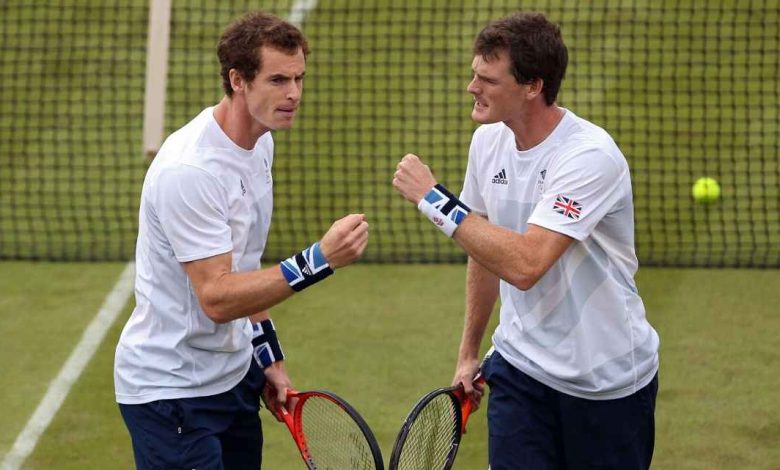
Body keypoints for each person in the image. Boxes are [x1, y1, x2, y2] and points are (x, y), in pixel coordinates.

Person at [393, 12, 659, 470]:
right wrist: (468, 353)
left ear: (533, 86)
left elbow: (525, 264)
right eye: (474, 74)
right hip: (520, 370)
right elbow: (484, 250)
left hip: (605, 384)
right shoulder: (487, 143)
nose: (472, 87)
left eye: (488, 80)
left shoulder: (588, 157)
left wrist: (434, 200)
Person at [114, 11, 369, 469]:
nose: (294, 93)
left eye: (299, 78)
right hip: (172, 393)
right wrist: (319, 259)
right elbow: (216, 296)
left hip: (233, 379)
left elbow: (244, 267)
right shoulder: (191, 172)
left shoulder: (259, 143)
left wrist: (268, 356)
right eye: (278, 80)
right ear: (238, 80)